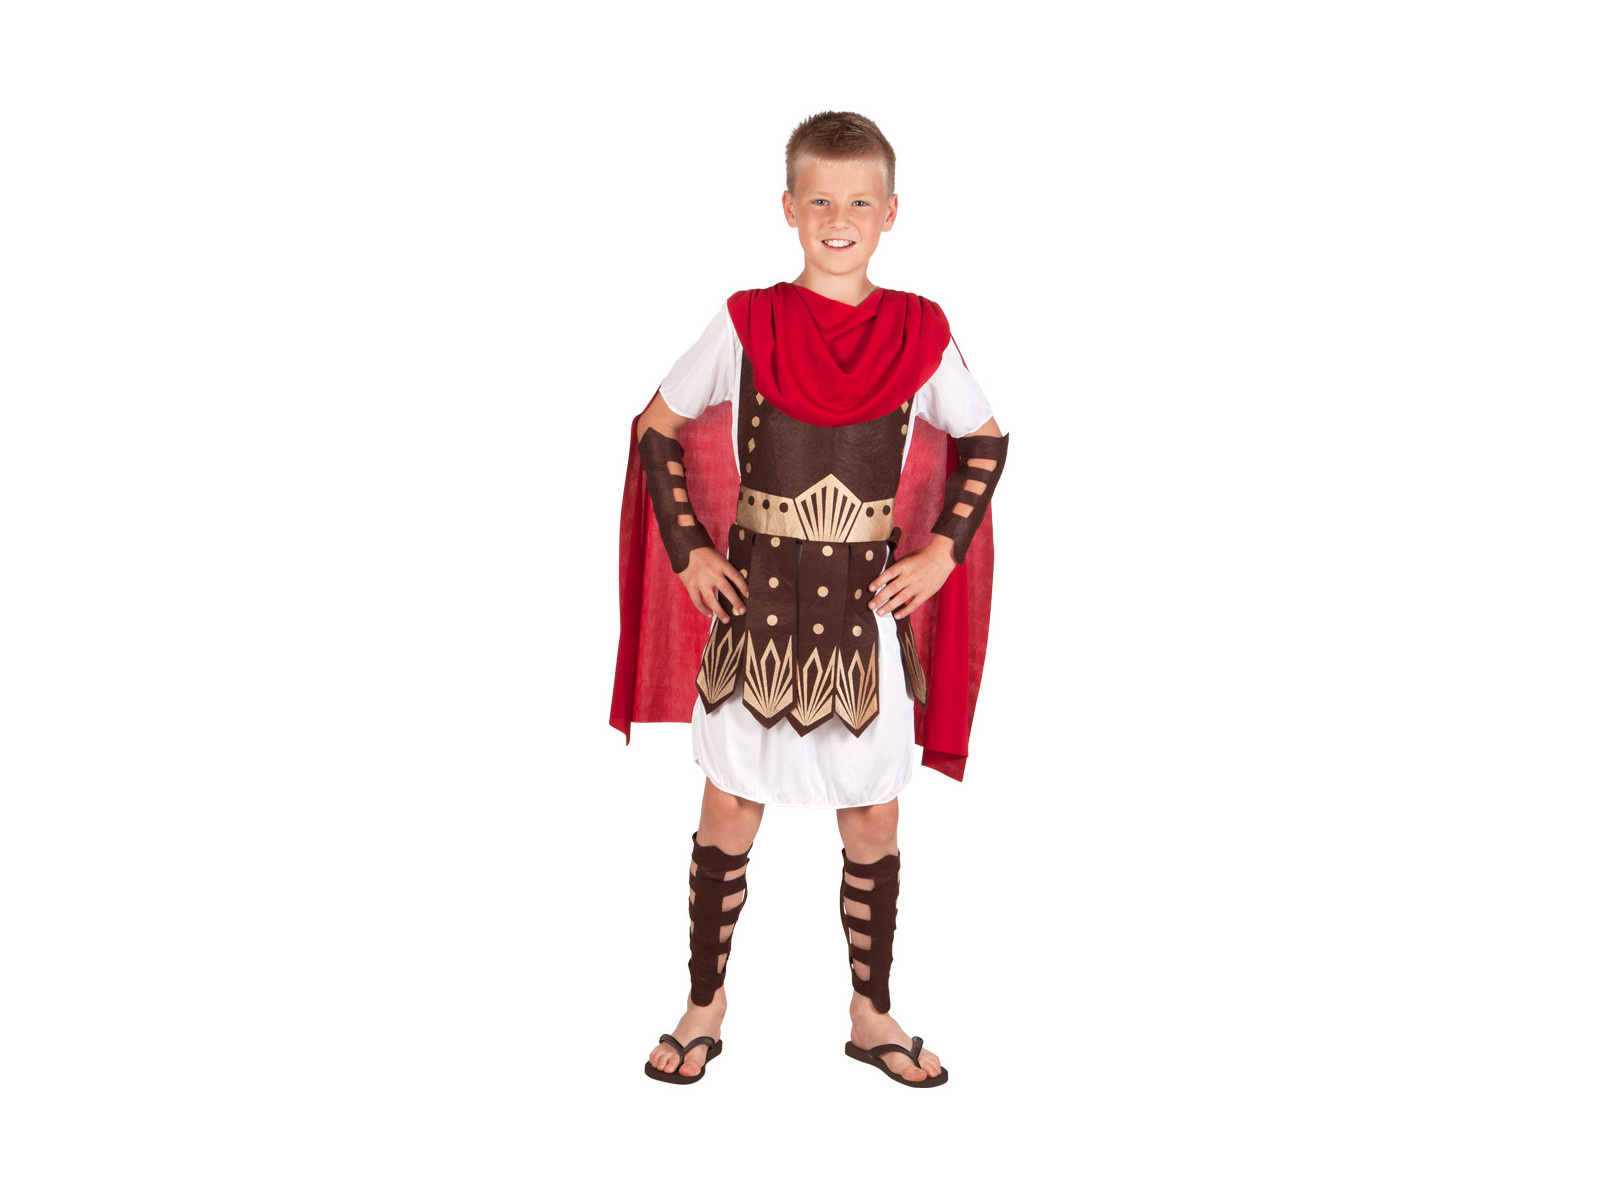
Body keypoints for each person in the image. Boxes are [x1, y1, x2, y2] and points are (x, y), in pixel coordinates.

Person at [611, 111, 1009, 1087]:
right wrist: (690, 551)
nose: (840, 219)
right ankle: (703, 1006)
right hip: (755, 613)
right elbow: (656, 427)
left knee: (872, 819)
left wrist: (943, 552)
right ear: (789, 208)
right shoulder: (748, 320)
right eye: (821, 200)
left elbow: (986, 440)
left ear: (890, 213)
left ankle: (871, 1016)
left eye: (859, 203)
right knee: (728, 809)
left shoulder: (919, 331)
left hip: (862, 620)